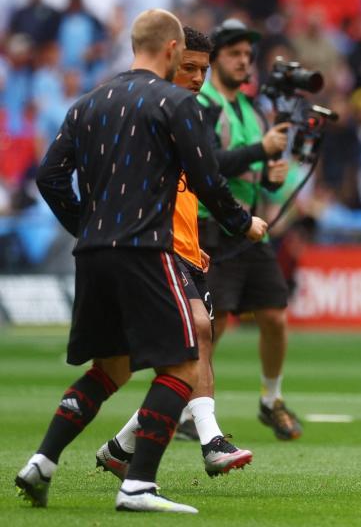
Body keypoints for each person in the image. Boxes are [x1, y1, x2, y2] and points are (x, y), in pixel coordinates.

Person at [16, 9, 267, 514]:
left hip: (90, 254)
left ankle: (42, 461)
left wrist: (87, 227)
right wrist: (245, 224)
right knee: (184, 362)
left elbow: (49, 177)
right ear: (173, 49)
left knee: (109, 368)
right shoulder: (175, 102)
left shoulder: (87, 102)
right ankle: (138, 486)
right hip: (146, 251)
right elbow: (207, 180)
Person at [95, 26, 254, 482]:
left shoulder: (187, 112)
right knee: (199, 334)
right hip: (154, 247)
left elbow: (202, 181)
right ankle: (212, 440)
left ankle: (120, 448)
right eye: (190, 67)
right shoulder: (144, 109)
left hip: (189, 244)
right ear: (168, 57)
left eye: (204, 69)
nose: (199, 78)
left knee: (182, 360)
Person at [196, 18, 302, 441]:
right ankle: (196, 408)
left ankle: (270, 399)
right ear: (214, 59)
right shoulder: (202, 103)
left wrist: (272, 174)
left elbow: (256, 172)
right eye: (233, 54)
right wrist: (262, 150)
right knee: (214, 322)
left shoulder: (252, 108)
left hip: (251, 225)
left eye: (247, 55)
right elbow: (207, 165)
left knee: (275, 315)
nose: (243, 62)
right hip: (212, 225)